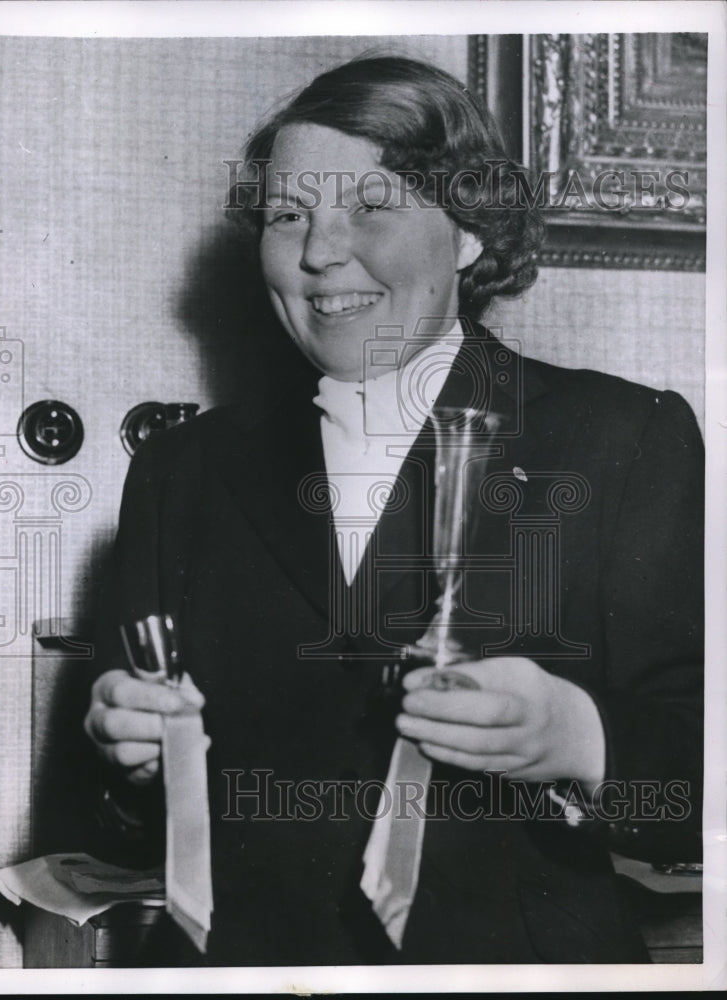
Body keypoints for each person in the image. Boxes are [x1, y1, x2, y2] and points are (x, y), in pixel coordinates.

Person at [84, 56, 703, 965]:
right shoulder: (181, 470)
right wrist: (129, 761)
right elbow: (132, 829)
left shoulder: (622, 438)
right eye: (287, 215)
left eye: (369, 207)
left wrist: (580, 738)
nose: (320, 252)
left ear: (467, 233)